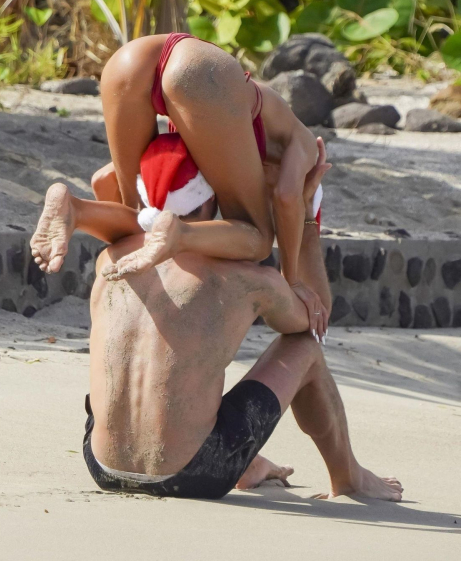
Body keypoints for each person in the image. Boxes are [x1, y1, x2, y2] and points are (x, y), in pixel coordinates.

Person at [78, 140, 402, 500]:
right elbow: (313, 322)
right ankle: (348, 476)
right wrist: (304, 217)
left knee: (178, 371)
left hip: (101, 464)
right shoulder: (243, 277)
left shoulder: (112, 256)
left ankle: (249, 464)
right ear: (211, 199)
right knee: (304, 349)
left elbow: (106, 176)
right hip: (194, 472)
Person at [30, 32, 328, 335]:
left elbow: (103, 179)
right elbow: (288, 197)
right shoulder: (306, 144)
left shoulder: (237, 142)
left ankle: (74, 208)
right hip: (203, 75)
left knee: (138, 220)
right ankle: (177, 234)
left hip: (130, 60)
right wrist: (293, 281)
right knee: (259, 239)